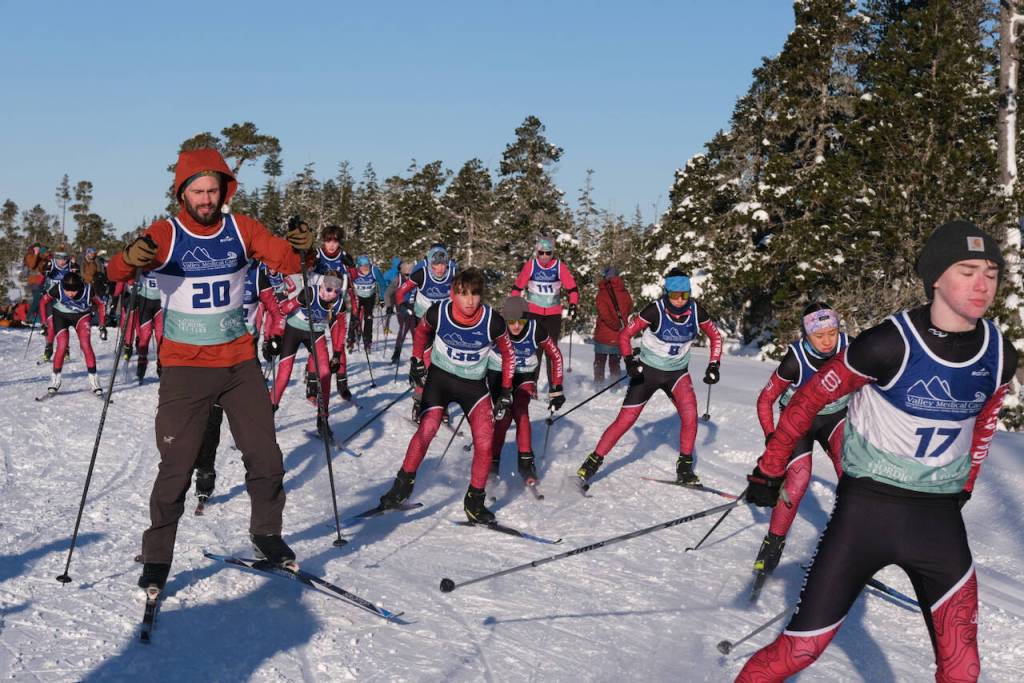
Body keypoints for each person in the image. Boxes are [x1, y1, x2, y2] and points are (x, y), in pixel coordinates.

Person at [737, 220, 1019, 682]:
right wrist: (769, 470)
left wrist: (965, 483)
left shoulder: (999, 352)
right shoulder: (888, 342)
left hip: (940, 522)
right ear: (935, 277)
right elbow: (809, 399)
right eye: (967, 270)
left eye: (991, 271)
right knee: (800, 652)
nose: (982, 283)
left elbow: (986, 417)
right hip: (867, 513)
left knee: (964, 669)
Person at [105, 147, 313, 592]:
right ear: (182, 192)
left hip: (238, 360)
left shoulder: (242, 228)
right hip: (185, 366)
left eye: (212, 190)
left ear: (224, 192)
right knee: (176, 467)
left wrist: (302, 249)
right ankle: (158, 557)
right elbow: (116, 272)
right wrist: (131, 257)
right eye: (197, 191)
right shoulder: (166, 232)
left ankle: (266, 535)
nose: (205, 198)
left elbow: (287, 261)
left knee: (265, 455)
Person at [378, 268, 515, 523]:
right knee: (428, 428)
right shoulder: (438, 312)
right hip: (440, 380)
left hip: (473, 386)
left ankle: (474, 501)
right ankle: (401, 487)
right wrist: (417, 360)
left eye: (475, 294)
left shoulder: (492, 320)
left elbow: (509, 354)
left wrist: (505, 389)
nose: (470, 301)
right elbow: (421, 332)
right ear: (454, 294)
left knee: (485, 440)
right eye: (464, 294)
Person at [576, 268, 723, 488]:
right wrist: (630, 362)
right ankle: (592, 463)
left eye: (685, 294)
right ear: (666, 293)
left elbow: (716, 337)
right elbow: (625, 335)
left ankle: (684, 468)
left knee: (690, 414)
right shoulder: (655, 311)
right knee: (625, 420)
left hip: (677, 373)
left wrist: (714, 364)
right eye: (675, 295)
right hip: (648, 372)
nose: (681, 300)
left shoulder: (696, 311)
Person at [750, 302, 849, 578]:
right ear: (807, 335)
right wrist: (772, 437)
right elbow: (765, 399)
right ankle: (773, 542)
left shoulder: (848, 346)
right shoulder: (795, 360)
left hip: (835, 416)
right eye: (820, 336)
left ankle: (848, 545)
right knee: (798, 480)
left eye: (833, 332)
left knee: (851, 471)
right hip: (799, 420)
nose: (828, 341)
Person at [487, 296, 565, 484]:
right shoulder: (497, 327)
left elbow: (555, 356)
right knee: (503, 417)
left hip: (524, 373)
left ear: (527, 318)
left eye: (520, 321)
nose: (515, 326)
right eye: (511, 321)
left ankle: (526, 462)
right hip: (498, 371)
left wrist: (557, 388)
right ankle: (492, 461)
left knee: (521, 411)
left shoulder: (535, 329)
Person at [269, 271, 355, 434]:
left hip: (315, 333)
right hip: (293, 330)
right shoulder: (310, 292)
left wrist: (337, 354)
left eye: (337, 290)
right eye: (329, 288)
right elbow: (283, 310)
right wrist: (276, 335)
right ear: (322, 284)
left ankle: (323, 419)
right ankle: (267, 414)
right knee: (284, 375)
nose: (331, 293)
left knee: (325, 373)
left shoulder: (338, 303)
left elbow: (339, 329)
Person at [393, 244, 458, 420]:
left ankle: (441, 403)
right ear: (429, 263)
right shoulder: (421, 274)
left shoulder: (452, 274)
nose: (439, 268)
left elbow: (457, 296)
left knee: (443, 364)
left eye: (443, 264)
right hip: (422, 323)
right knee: (424, 362)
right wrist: (403, 305)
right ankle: (420, 401)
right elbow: (400, 292)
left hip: (444, 324)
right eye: (435, 264)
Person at [510, 236, 580, 387]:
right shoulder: (531, 266)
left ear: (552, 253)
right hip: (533, 313)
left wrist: (573, 305)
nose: (544, 256)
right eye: (541, 253)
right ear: (537, 252)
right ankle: (530, 386)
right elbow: (517, 288)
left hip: (553, 315)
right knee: (534, 351)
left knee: (551, 351)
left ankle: (554, 386)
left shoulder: (559, 267)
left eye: (548, 253)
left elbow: (573, 289)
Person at [37, 271, 106, 395]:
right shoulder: (58, 288)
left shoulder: (88, 290)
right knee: (62, 346)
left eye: (73, 291)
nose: (70, 294)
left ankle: (94, 381)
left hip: (81, 316)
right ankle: (55, 380)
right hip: (60, 316)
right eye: (67, 290)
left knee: (85, 345)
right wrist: (44, 322)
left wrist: (102, 324)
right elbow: (42, 302)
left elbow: (101, 304)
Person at [593, 266, 633, 384]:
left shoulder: (602, 293)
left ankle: (598, 385)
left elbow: (603, 313)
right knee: (615, 363)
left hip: (603, 334)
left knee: (599, 362)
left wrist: (613, 324)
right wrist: (620, 323)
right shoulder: (624, 292)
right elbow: (629, 307)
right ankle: (614, 385)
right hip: (620, 334)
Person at [40, 246, 80, 362]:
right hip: (51, 297)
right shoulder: (51, 264)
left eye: (64, 258)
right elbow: (43, 276)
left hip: (64, 299)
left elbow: (77, 280)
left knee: (63, 325)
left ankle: (65, 349)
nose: (62, 261)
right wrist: (43, 287)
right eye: (59, 258)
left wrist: (75, 268)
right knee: (51, 325)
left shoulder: (70, 266)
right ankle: (48, 349)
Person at [348, 254, 385, 353]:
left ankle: (367, 342)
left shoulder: (374, 270)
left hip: (370, 297)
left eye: (367, 266)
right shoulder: (354, 271)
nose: (365, 268)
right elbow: (348, 285)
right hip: (357, 297)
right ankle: (351, 340)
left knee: (368, 318)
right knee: (354, 317)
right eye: (363, 266)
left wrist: (382, 298)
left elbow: (382, 283)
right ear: (358, 266)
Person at [384, 260, 415, 365]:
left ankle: (418, 355)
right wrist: (389, 307)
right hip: (401, 306)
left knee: (415, 329)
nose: (408, 276)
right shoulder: (398, 280)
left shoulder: (417, 279)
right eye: (406, 274)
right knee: (404, 327)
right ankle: (396, 354)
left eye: (410, 274)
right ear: (401, 272)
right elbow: (388, 294)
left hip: (414, 306)